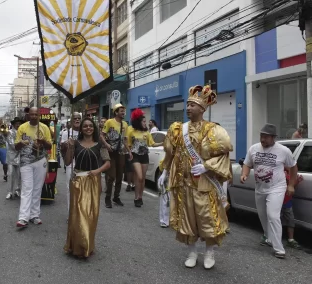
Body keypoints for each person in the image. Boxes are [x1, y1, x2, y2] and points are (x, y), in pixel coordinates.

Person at [158, 85, 232, 269]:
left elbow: (223, 155)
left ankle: (209, 252)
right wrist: (165, 172)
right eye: (188, 105)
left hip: (205, 184)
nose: (188, 108)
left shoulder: (213, 130)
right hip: (184, 184)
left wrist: (207, 166)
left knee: (208, 219)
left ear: (202, 108)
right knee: (187, 220)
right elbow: (171, 153)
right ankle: (191, 252)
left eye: (192, 105)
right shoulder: (177, 129)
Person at [241, 123, 298, 259]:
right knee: (263, 216)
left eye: (266, 137)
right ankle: (269, 237)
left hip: (277, 187)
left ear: (273, 137)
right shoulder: (254, 149)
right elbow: (247, 164)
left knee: (273, 215)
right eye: (261, 136)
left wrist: (291, 185)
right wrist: (244, 174)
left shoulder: (283, 151)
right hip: (260, 188)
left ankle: (279, 249)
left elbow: (294, 168)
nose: (262, 139)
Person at [63, 117, 110, 258]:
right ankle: (76, 247)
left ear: (94, 128)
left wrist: (97, 171)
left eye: (90, 126)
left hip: (93, 181)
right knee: (77, 215)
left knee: (91, 216)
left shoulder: (99, 144)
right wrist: (70, 147)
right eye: (85, 126)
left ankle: (87, 245)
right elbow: (67, 161)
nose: (88, 128)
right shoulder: (75, 143)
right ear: (81, 129)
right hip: (78, 181)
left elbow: (108, 163)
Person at [14, 107, 52, 227]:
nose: (34, 116)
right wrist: (21, 143)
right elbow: (16, 147)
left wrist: (43, 142)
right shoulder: (22, 127)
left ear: (39, 115)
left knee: (37, 188)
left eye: (36, 114)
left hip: (40, 160)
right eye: (32, 114)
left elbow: (49, 146)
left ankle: (34, 215)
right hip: (25, 162)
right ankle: (23, 218)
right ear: (28, 115)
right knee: (27, 188)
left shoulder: (44, 128)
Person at [127, 109, 163, 207]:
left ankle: (139, 197)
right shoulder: (131, 131)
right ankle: (136, 196)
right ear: (138, 121)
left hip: (144, 156)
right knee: (139, 176)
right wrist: (129, 153)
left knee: (142, 178)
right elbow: (128, 144)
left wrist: (163, 142)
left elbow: (153, 144)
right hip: (135, 156)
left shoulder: (147, 132)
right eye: (143, 121)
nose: (145, 123)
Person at [101, 104, 132, 208]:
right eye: (121, 111)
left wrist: (129, 152)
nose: (123, 113)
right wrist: (106, 144)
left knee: (120, 176)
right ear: (116, 112)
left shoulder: (125, 124)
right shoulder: (109, 122)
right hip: (111, 152)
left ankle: (116, 197)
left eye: (124, 111)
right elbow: (102, 135)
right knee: (112, 176)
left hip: (121, 153)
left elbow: (125, 140)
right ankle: (107, 198)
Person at [60, 112, 81, 213]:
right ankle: (70, 213)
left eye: (79, 118)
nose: (77, 120)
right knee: (70, 188)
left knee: (81, 189)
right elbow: (62, 147)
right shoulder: (66, 132)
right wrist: (66, 143)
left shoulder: (85, 131)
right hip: (71, 163)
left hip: (82, 164)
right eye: (75, 118)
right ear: (71, 121)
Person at [282, 168, 303, 249]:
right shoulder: (281, 172)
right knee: (276, 220)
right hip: (278, 200)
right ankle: (271, 237)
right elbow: (287, 184)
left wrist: (297, 181)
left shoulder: (292, 174)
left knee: (290, 220)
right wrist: (296, 181)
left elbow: (292, 187)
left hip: (287, 201)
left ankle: (291, 239)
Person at [6, 117, 23, 199]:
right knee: (11, 174)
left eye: (19, 123)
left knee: (19, 175)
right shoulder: (9, 132)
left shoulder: (23, 132)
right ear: (13, 124)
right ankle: (10, 191)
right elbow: (12, 144)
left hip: (20, 156)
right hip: (11, 156)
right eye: (17, 123)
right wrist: (21, 145)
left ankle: (18, 190)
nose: (18, 125)